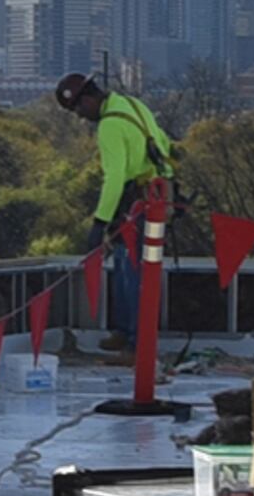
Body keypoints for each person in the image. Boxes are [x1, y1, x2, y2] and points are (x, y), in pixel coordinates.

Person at [55, 71, 176, 339]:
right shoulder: (132, 104)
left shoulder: (110, 124)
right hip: (156, 196)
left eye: (77, 109)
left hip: (135, 203)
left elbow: (115, 177)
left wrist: (99, 223)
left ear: (87, 99)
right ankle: (125, 334)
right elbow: (164, 143)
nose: (80, 116)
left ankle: (135, 341)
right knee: (132, 267)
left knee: (130, 270)